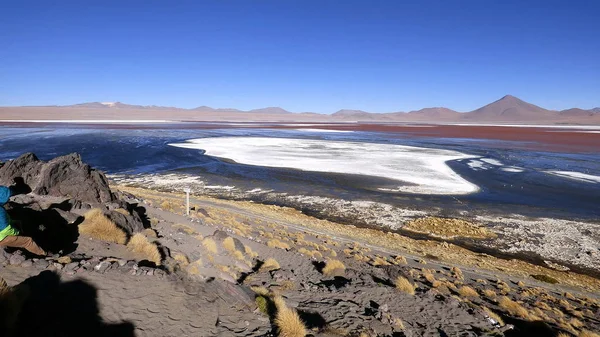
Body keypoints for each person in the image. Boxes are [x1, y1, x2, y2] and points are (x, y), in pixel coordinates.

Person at [0, 185, 46, 256]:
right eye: (8, 198)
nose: (9, 199)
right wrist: (18, 233)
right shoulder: (0, 211)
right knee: (28, 241)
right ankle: (44, 255)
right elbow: (6, 229)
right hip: (2, 236)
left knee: (18, 222)